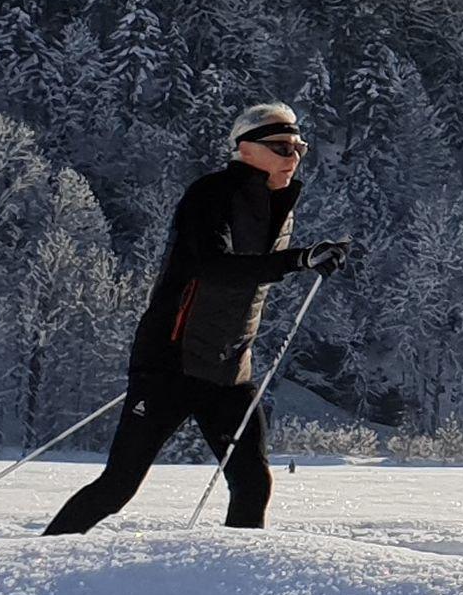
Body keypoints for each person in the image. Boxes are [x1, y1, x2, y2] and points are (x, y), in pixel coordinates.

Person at [45, 103, 353, 534]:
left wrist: (300, 258)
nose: (293, 157)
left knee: (251, 483)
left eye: (299, 147)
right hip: (171, 363)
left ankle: (230, 580)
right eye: (281, 147)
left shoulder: (277, 205)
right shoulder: (210, 195)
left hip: (229, 368)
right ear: (245, 149)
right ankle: (43, 562)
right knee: (118, 487)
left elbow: (254, 276)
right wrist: (299, 259)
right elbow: (214, 266)